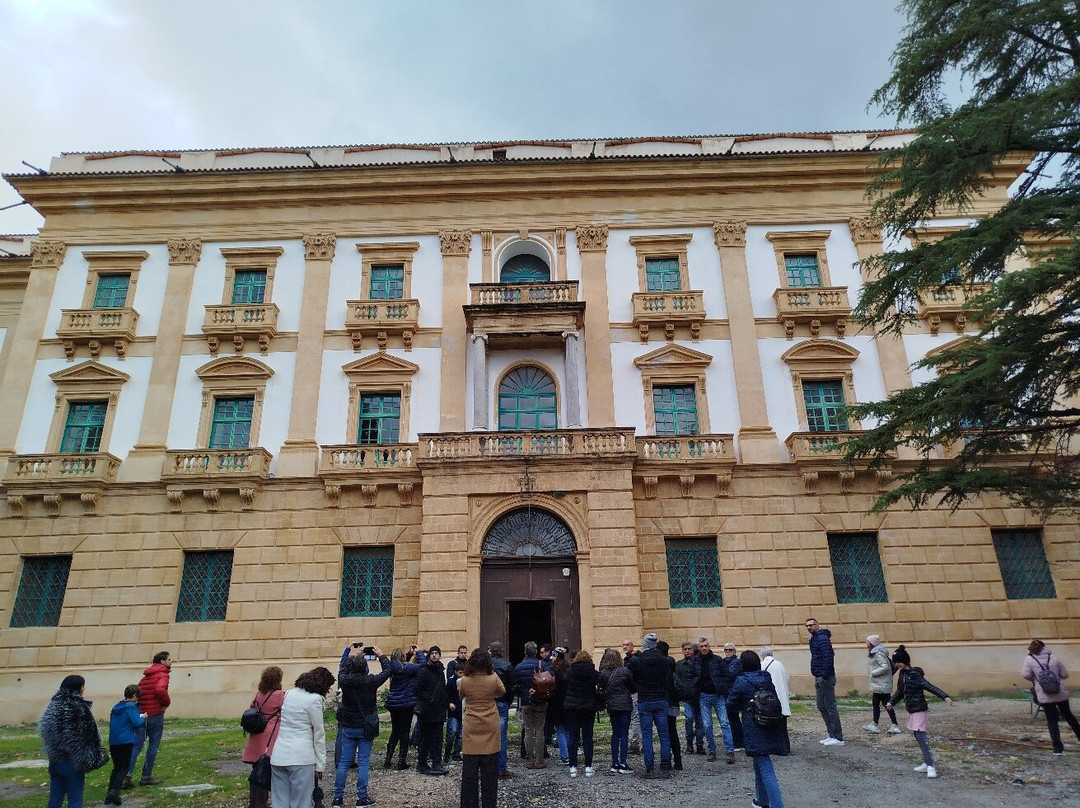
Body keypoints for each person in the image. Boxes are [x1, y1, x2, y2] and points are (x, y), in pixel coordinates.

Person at [334, 644, 398, 807]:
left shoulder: (345, 680)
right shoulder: (370, 681)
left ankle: (337, 797)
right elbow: (388, 671)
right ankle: (361, 797)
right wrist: (382, 656)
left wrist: (353, 656)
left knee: (343, 763)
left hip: (349, 724)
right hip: (365, 726)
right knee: (363, 763)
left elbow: (342, 668)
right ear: (365, 668)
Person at [728, 651, 787, 808]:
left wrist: (744, 706)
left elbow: (730, 703)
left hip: (753, 725)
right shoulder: (765, 678)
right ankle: (761, 801)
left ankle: (777, 805)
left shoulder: (741, 681)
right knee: (759, 762)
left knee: (766, 768)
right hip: (770, 723)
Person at [270, 666, 336, 808]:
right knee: (301, 803)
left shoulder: (288, 693)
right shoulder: (315, 699)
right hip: (301, 757)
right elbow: (319, 733)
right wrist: (320, 764)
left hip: (279, 755)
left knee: (279, 802)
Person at [886, 645, 953, 778]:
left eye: (898, 661)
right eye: (895, 662)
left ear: (905, 661)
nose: (897, 664)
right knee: (918, 736)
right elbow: (900, 692)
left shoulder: (915, 674)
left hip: (919, 709)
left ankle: (930, 766)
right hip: (911, 709)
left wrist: (944, 696)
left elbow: (929, 686)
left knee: (921, 737)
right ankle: (926, 762)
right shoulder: (902, 675)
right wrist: (891, 702)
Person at [40, 674, 106, 808]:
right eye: (82, 687)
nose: (83, 690)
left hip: (55, 761)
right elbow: (89, 735)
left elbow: (45, 730)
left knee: (55, 799)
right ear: (78, 688)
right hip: (73, 762)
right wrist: (94, 756)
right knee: (75, 800)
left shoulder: (53, 705)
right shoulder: (78, 707)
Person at [458, 648, 506, 808]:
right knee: (490, 772)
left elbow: (461, 695)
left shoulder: (465, 680)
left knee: (469, 773)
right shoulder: (493, 678)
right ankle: (489, 804)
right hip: (490, 723)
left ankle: (469, 804)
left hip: (472, 724)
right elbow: (502, 691)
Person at [1022, 639, 1080, 756]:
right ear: (1044, 647)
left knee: (1052, 721)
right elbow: (1065, 674)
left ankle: (1058, 749)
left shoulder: (1029, 659)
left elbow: (1025, 674)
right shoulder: (1053, 657)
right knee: (1069, 717)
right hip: (1060, 693)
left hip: (1044, 695)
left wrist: (1036, 680)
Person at [626, 632, 672, 778]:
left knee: (647, 735)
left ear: (644, 645)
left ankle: (650, 768)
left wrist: (637, 688)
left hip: (645, 699)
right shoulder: (664, 661)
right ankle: (665, 767)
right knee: (664, 735)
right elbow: (667, 679)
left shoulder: (637, 661)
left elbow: (630, 678)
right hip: (660, 698)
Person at [125, 650, 172, 788]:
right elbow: (160, 690)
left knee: (136, 746)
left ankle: (127, 776)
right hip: (155, 714)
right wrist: (165, 703)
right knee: (153, 745)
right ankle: (146, 776)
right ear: (162, 661)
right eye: (169, 660)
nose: (171, 662)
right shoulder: (163, 675)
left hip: (142, 714)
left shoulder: (146, 677)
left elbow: (139, 693)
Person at [242, 667, 284, 808]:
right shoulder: (280, 695)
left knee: (257, 771)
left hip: (256, 735)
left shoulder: (258, 694)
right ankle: (261, 804)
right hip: (270, 735)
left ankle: (255, 803)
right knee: (266, 772)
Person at [690, 636, 737, 763]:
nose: (704, 648)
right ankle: (712, 750)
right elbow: (692, 676)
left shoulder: (717, 660)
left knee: (725, 723)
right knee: (707, 725)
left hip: (718, 695)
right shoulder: (695, 661)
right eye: (702, 646)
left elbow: (726, 676)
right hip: (703, 695)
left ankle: (729, 751)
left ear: (709, 646)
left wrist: (723, 688)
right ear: (699, 648)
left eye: (706, 646)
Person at [384, 646, 425, 770]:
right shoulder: (407, 668)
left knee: (395, 731)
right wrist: (419, 652)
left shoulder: (392, 667)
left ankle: (388, 759)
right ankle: (402, 761)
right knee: (405, 732)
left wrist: (409, 654)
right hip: (406, 704)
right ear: (401, 657)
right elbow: (422, 665)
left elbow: (402, 663)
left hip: (393, 704)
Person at [805, 618, 844, 746]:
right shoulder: (814, 639)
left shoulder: (822, 639)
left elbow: (828, 657)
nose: (809, 627)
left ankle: (838, 737)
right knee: (821, 706)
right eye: (807, 626)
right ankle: (831, 734)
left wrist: (824, 675)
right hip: (818, 675)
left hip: (824, 677)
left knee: (830, 706)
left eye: (811, 625)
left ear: (817, 625)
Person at [415, 646, 452, 775]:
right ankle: (422, 763)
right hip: (427, 710)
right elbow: (417, 688)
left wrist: (447, 703)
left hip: (439, 710)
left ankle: (437, 763)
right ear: (429, 655)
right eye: (432, 653)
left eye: (437, 653)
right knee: (425, 738)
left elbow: (443, 688)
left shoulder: (440, 670)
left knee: (438, 738)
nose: (435, 655)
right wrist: (429, 699)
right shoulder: (423, 670)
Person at [106, 684, 145, 805]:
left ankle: (109, 795)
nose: (138, 700)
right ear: (134, 696)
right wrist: (143, 716)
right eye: (138, 697)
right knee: (124, 768)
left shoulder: (116, 706)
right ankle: (114, 791)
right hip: (126, 741)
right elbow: (136, 722)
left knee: (116, 767)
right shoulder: (131, 707)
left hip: (114, 741)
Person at [563, 649, 599, 778]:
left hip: (573, 707)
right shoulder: (593, 673)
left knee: (573, 737)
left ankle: (573, 767)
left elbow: (564, 683)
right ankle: (588, 767)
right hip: (589, 707)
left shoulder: (570, 672)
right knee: (588, 737)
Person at [599, 647, 635, 774]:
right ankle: (623, 762)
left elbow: (602, 688)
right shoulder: (625, 671)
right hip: (625, 704)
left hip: (612, 705)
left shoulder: (603, 673)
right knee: (624, 733)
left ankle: (614, 762)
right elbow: (632, 687)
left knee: (615, 733)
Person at [514, 641, 548, 769]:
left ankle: (529, 760)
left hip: (526, 702)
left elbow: (515, 685)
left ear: (525, 652)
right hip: (541, 701)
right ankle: (539, 760)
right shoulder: (543, 664)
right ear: (536, 652)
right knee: (539, 731)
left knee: (528, 731)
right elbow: (551, 679)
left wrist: (522, 694)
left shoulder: (518, 667)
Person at [487, 641, 516, 778]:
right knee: (502, 737)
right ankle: (501, 768)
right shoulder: (507, 665)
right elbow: (511, 687)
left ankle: (487, 768)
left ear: (490, 651)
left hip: (487, 703)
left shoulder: (484, 665)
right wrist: (507, 701)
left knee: (486, 735)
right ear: (501, 650)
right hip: (502, 702)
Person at [863, 635, 901, 734]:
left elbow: (885, 667)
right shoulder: (875, 653)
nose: (866, 643)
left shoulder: (878, 654)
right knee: (877, 704)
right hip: (879, 684)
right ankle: (876, 724)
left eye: (867, 641)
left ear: (871, 643)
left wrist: (873, 673)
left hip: (882, 684)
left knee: (886, 704)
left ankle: (894, 725)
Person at [655, 641, 683, 771]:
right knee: (673, 731)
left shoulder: (660, 665)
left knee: (664, 733)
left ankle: (666, 761)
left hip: (664, 700)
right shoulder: (672, 662)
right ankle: (678, 760)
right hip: (673, 701)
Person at [760, 648, 792, 756]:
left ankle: (777, 748)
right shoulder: (780, 664)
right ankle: (786, 747)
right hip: (783, 698)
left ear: (762, 655)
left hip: (770, 700)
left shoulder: (762, 665)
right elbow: (787, 679)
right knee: (783, 727)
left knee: (773, 726)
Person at [675, 641, 704, 754]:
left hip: (699, 696)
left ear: (693, 650)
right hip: (687, 697)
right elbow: (677, 679)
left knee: (700, 722)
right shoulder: (679, 664)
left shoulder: (699, 663)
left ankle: (700, 745)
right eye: (685, 649)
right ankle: (689, 744)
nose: (687, 651)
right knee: (688, 719)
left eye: (689, 649)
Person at [445, 645, 469, 764]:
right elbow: (449, 684)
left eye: (465, 652)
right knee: (452, 731)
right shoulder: (452, 664)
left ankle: (456, 753)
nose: (463, 655)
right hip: (454, 704)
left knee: (461, 733)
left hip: (464, 705)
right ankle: (447, 753)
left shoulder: (469, 664)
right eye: (461, 652)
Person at [547, 649, 571, 766]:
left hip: (556, 703)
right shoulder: (569, 670)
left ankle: (564, 756)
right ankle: (570, 755)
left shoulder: (552, 672)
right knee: (567, 730)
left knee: (560, 730)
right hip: (568, 702)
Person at [722, 642, 744, 751]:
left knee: (734, 719)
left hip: (734, 694)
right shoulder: (724, 662)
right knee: (730, 719)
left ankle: (739, 742)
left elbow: (731, 675)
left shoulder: (736, 663)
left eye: (730, 650)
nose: (728, 652)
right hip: (726, 693)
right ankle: (736, 741)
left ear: (734, 651)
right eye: (726, 650)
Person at [622, 639, 642, 754]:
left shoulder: (634, 659)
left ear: (632, 646)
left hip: (635, 690)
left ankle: (635, 744)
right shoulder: (628, 658)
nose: (625, 647)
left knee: (635, 718)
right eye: (623, 645)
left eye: (627, 645)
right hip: (632, 690)